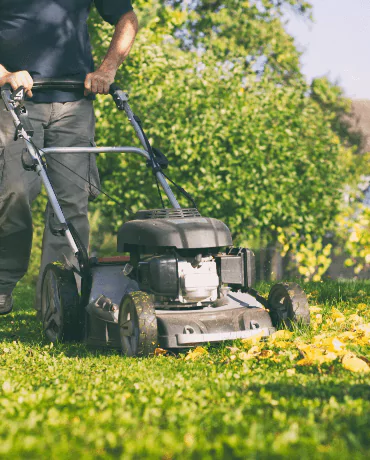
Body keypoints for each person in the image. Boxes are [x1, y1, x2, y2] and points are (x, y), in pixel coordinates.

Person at [0, 1, 138, 315]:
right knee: (13, 192)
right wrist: (5, 73)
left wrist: (107, 69)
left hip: (74, 104)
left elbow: (127, 18)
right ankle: (3, 282)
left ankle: (61, 300)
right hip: (15, 101)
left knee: (71, 203)